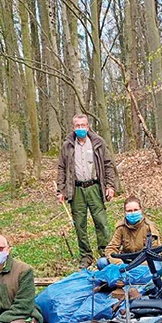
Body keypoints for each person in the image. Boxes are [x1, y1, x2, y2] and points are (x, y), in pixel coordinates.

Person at [56, 114, 117, 267]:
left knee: (101, 222)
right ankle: (86, 256)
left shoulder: (98, 143)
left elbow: (108, 164)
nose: (81, 128)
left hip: (94, 188)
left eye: (83, 125)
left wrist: (110, 186)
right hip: (76, 190)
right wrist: (61, 190)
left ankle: (105, 253)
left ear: (88, 127)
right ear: (73, 128)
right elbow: (61, 168)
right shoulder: (67, 145)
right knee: (79, 224)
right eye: (78, 126)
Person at [103, 196, 160, 264]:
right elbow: (111, 249)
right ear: (125, 212)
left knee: (157, 266)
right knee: (102, 262)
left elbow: (155, 251)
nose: (133, 213)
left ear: (141, 210)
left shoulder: (149, 227)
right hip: (125, 261)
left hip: (144, 262)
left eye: (135, 210)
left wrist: (137, 266)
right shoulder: (121, 227)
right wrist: (119, 263)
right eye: (129, 211)